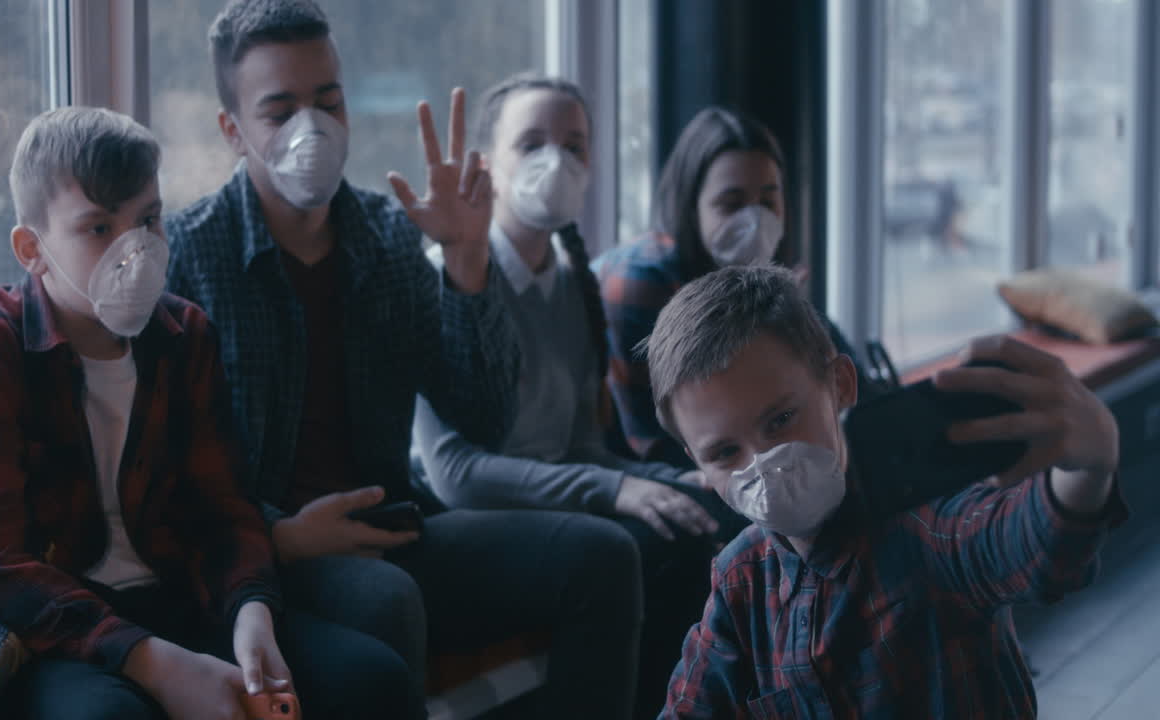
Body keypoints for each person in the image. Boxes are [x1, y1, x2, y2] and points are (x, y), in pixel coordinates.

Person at [165, 2, 643, 717]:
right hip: (269, 557)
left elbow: (480, 412)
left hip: (396, 526)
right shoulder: (190, 255)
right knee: (388, 600)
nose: (313, 129)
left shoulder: (388, 235)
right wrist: (280, 536)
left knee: (605, 557)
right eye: (280, 110)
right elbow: (170, 467)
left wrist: (468, 261)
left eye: (329, 102)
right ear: (233, 130)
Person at [0, 106, 410, 720]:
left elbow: (223, 508)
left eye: (147, 219)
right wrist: (152, 660)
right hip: (53, 633)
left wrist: (250, 613)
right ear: (32, 249)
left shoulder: (183, 335)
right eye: (99, 229)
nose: (136, 249)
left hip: (178, 601)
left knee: (374, 680)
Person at [644, 265, 1126, 718]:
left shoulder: (928, 525)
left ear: (840, 386)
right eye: (726, 452)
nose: (764, 465)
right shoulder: (740, 580)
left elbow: (1036, 542)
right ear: (697, 462)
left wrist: (1087, 469)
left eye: (781, 419)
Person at [411, 72, 744, 719]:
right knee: (640, 547)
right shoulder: (440, 278)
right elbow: (454, 472)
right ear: (486, 166)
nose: (555, 161)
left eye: (574, 145)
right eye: (531, 143)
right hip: (466, 516)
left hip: (557, 501)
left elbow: (581, 449)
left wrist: (671, 477)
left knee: (717, 512)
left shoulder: (572, 283)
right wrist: (615, 489)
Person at [595, 107, 876, 468]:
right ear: (690, 207)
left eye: (768, 201)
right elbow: (650, 440)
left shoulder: (756, 275)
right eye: (731, 204)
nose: (755, 219)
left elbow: (852, 394)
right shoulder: (642, 282)